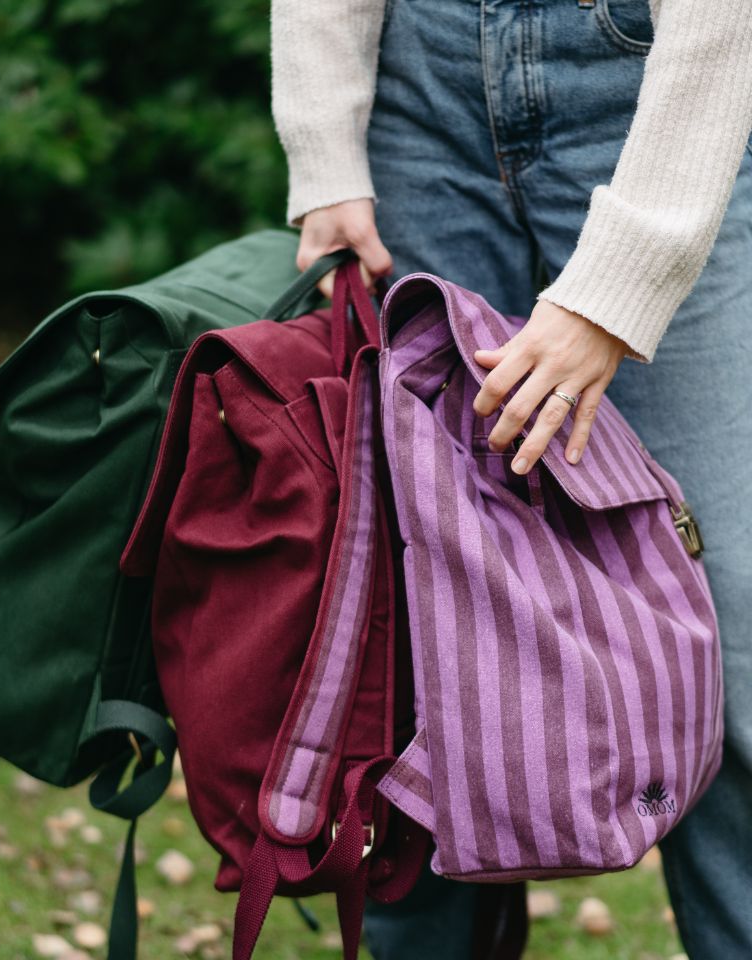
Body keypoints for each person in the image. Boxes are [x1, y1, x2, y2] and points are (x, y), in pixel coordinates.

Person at [269, 1, 752, 957]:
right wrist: (324, 146)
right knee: (413, 629)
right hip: (419, 96)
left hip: (651, 87)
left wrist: (622, 282)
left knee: (736, 622)